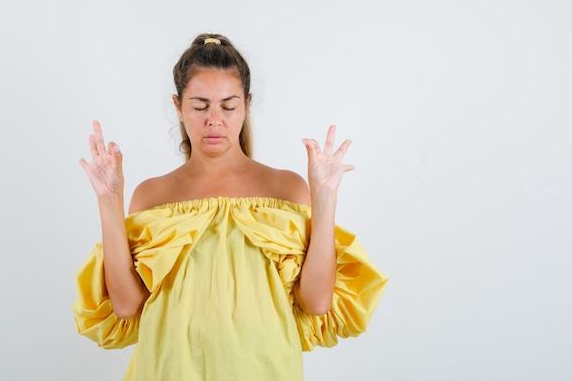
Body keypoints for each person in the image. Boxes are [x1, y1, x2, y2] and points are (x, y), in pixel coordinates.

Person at [72, 33, 388, 381]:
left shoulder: (286, 188)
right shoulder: (152, 195)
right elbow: (128, 306)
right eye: (200, 105)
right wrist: (109, 200)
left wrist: (325, 197)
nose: (214, 119)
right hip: (168, 369)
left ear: (247, 104)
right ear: (178, 106)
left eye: (228, 105)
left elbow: (316, 303)